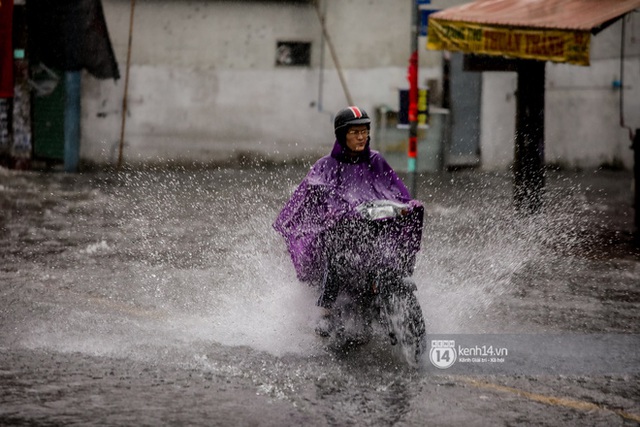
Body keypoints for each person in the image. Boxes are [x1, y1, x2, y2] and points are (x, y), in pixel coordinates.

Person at [273, 106, 422, 336]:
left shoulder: (376, 161)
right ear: (342, 135)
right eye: (355, 132)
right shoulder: (325, 166)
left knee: (391, 257)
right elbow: (309, 200)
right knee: (338, 254)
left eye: (364, 131)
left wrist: (407, 206)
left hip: (373, 231)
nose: (361, 137)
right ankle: (325, 311)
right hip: (338, 234)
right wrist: (333, 213)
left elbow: (396, 192)